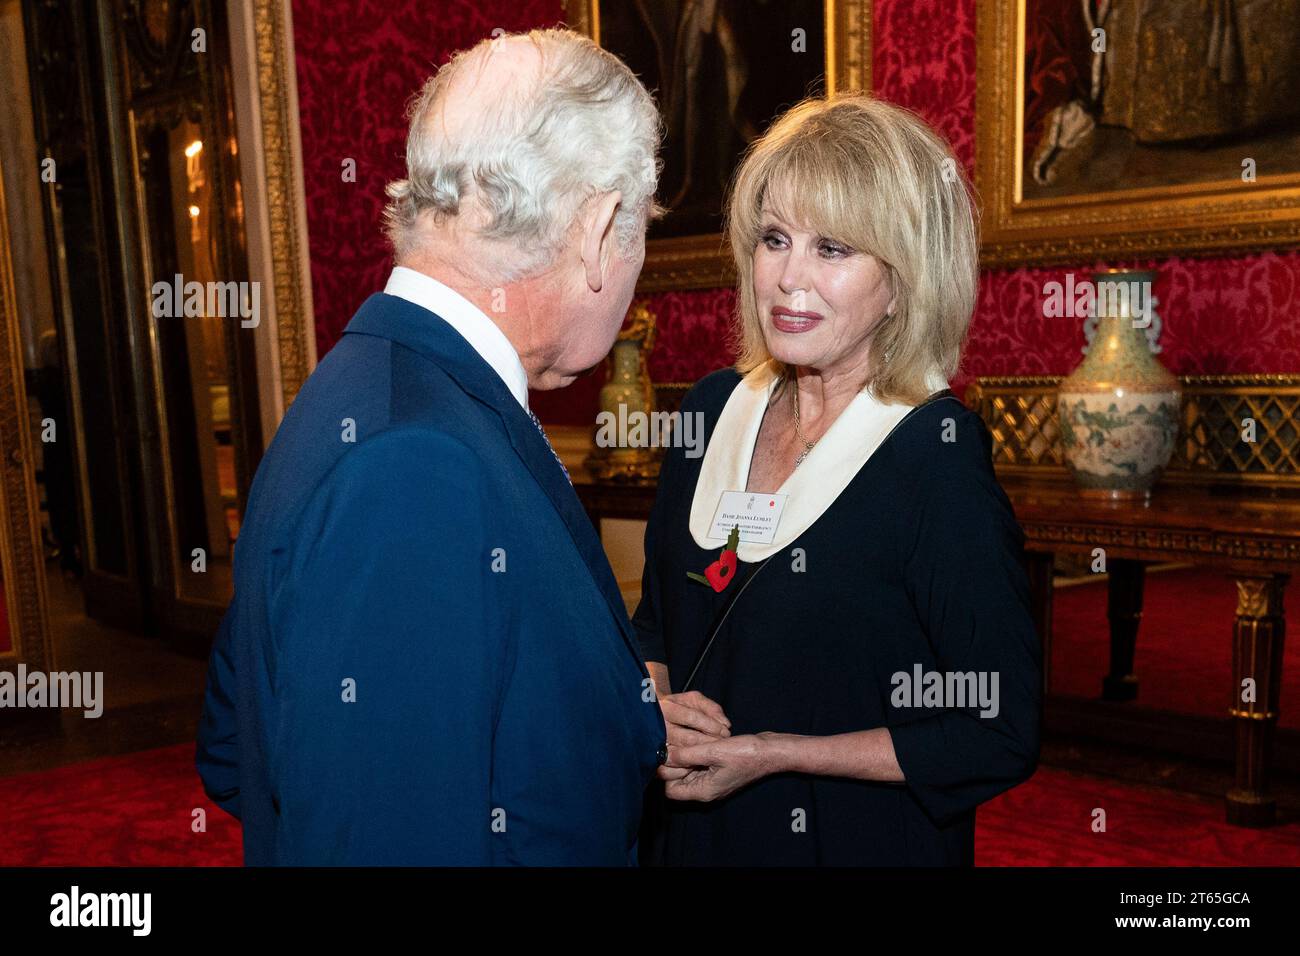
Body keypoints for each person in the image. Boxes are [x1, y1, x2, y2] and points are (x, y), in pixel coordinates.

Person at [196, 28, 667, 865]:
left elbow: (241, 748)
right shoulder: (414, 466)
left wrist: (607, 707)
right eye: (644, 227)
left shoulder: (375, 386)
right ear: (597, 232)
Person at [634, 94, 1041, 866]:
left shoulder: (933, 454)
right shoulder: (712, 408)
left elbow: (998, 725)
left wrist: (777, 753)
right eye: (775, 238)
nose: (790, 278)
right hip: (687, 838)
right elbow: (658, 623)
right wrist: (651, 702)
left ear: (903, 280)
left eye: (834, 249)